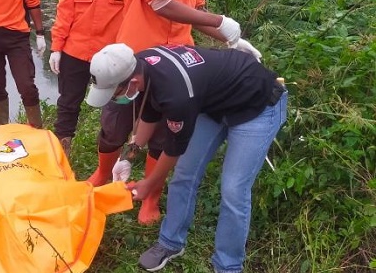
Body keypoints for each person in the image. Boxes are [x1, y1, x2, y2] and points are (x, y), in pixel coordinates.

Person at [86, 0, 261, 226]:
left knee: (165, 133)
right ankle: (102, 172)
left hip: (178, 63)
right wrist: (219, 21)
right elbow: (160, 3)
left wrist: (231, 38)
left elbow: (193, 12)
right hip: (134, 60)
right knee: (114, 124)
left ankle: (150, 196)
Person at [85, 43, 287, 273]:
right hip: (215, 104)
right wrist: (129, 156)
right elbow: (150, 113)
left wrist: (149, 184)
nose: (114, 99)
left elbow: (173, 149)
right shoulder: (139, 66)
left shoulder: (177, 95)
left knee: (234, 189)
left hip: (257, 105)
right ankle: (170, 243)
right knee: (184, 174)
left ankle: (228, 266)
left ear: (132, 82)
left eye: (114, 94)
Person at [48, 0, 128, 159]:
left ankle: (115, 155)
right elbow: (65, 10)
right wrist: (57, 47)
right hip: (76, 50)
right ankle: (62, 153)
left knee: (118, 107)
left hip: (113, 54)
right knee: (67, 104)